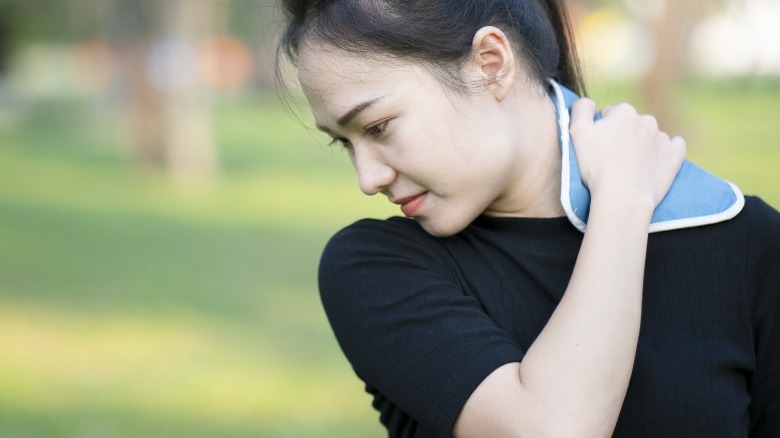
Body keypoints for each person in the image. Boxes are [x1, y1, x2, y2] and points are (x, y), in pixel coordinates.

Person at [276, 1, 780, 436]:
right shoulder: (374, 268)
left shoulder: (745, 239)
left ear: (491, 63)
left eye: (378, 127)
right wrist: (622, 199)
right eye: (345, 143)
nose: (367, 178)